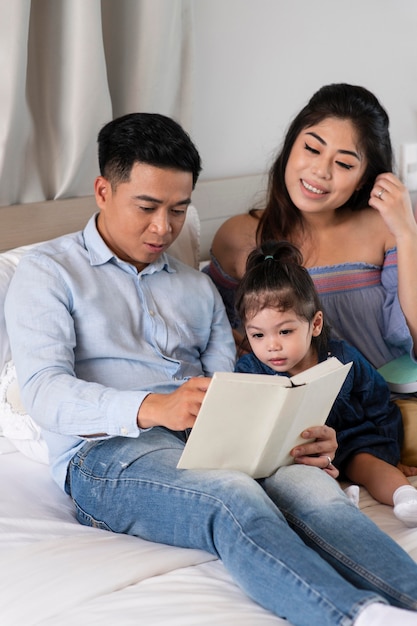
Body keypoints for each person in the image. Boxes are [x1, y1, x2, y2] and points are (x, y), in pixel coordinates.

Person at [5, 112, 417, 626]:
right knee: (231, 496)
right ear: (103, 191)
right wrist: (154, 408)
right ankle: (357, 617)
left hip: (213, 444)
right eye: (148, 207)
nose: (164, 228)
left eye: (179, 210)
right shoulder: (47, 273)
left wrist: (295, 438)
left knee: (318, 494)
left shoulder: (195, 287)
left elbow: (238, 387)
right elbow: (44, 392)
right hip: (105, 455)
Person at [203, 82, 417, 472]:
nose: (321, 171)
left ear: (366, 177)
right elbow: (224, 343)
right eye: (312, 148)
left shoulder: (383, 226)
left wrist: (407, 233)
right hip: (296, 425)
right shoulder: (238, 237)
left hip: (384, 410)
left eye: (345, 163)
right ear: (291, 145)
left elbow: (414, 340)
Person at [234, 240, 417, 528]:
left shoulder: (342, 357)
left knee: (369, 463)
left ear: (315, 324)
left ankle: (405, 497)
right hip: (297, 452)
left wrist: (389, 450)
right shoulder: (250, 371)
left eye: (285, 331)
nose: (272, 346)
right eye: (257, 335)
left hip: (352, 439)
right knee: (294, 473)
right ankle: (338, 502)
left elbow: (378, 403)